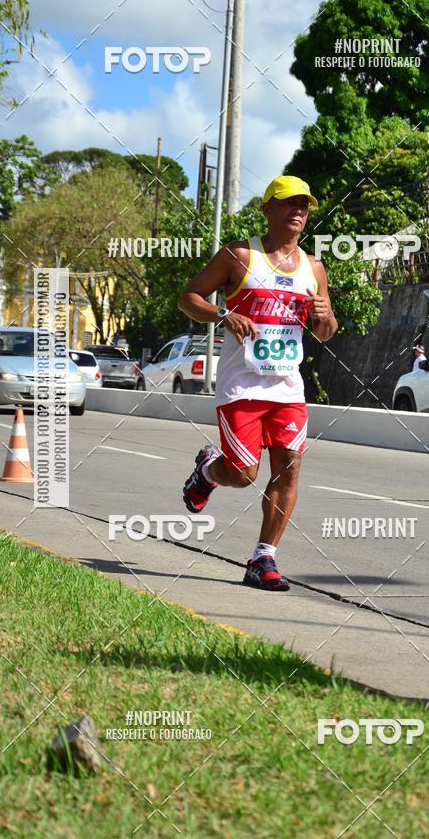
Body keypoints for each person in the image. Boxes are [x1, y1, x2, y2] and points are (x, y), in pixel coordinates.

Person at [178, 175, 338, 591]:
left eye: (304, 205)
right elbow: (189, 297)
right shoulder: (239, 255)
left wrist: (323, 314)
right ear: (268, 209)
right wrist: (221, 315)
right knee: (245, 474)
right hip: (241, 387)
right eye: (289, 203)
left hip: (287, 388)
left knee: (289, 468)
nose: (298, 211)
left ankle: (263, 558)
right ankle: (208, 472)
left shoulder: (313, 267)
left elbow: (326, 331)